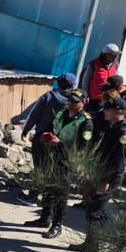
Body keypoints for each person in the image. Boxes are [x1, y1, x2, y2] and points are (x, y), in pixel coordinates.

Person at [28, 89, 93, 239]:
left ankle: (57, 225)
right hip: (51, 156)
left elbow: (82, 146)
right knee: (47, 187)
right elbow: (52, 129)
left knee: (61, 193)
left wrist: (60, 144)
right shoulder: (61, 114)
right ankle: (44, 218)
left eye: (75, 102)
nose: (71, 103)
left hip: (67, 161)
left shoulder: (86, 122)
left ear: (83, 103)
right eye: (70, 100)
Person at [20, 73, 78, 205]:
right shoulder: (74, 101)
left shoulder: (49, 96)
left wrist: (26, 129)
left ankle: (33, 196)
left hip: (42, 137)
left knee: (40, 166)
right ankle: (49, 198)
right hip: (60, 141)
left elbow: (35, 114)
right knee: (52, 168)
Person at [83, 97, 126, 243]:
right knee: (94, 209)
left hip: (108, 177)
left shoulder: (123, 132)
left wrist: (105, 181)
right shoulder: (111, 126)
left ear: (119, 111)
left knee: (94, 213)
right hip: (100, 173)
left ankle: (91, 248)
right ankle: (95, 241)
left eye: (108, 109)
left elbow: (118, 160)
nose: (104, 111)